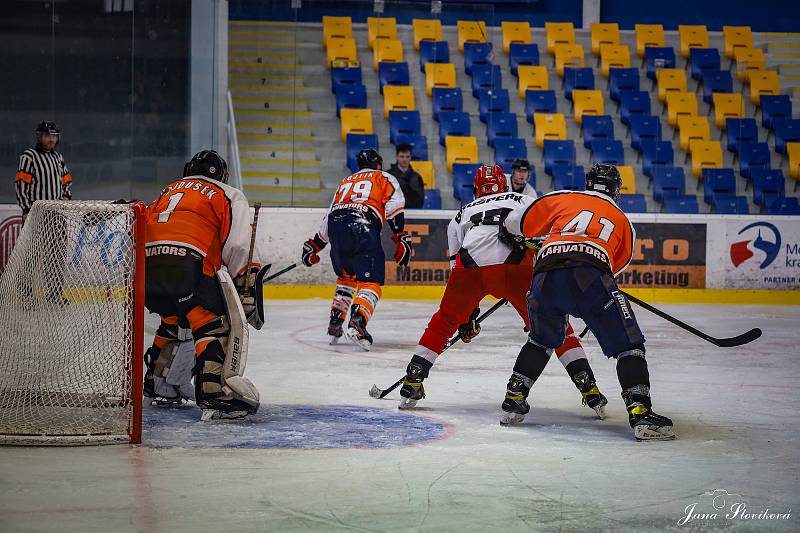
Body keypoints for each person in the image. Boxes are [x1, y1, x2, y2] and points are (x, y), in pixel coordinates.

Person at [399, 164, 608, 418]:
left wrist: (467, 316)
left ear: (476, 188)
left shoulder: (461, 213)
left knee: (443, 322)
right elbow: (548, 235)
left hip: (471, 268)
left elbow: (456, 264)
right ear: (504, 184)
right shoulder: (524, 199)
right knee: (553, 325)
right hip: (516, 268)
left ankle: (412, 380)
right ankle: (588, 386)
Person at [501, 163, 674, 440]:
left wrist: (521, 236)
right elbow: (613, 267)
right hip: (590, 277)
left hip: (544, 275)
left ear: (588, 183)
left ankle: (514, 398)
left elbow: (515, 222)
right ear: (616, 191)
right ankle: (640, 413)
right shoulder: (622, 220)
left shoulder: (563, 196)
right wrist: (592, 304)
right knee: (630, 345)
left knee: (541, 340)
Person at [143, 150, 265, 419]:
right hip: (188, 265)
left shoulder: (167, 190)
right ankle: (214, 391)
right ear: (221, 175)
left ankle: (159, 382)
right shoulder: (228, 193)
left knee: (174, 318)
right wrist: (246, 280)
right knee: (211, 321)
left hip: (147, 266)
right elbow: (239, 245)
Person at [301, 149, 411, 350]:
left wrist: (315, 245)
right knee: (371, 282)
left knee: (346, 277)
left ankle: (335, 322)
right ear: (378, 163)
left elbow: (331, 214)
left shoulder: (346, 181)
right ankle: (358, 322)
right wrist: (400, 235)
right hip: (362, 226)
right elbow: (395, 204)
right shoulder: (383, 176)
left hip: (336, 228)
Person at [15, 121, 73, 224]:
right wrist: (26, 210)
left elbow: (66, 180)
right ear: (40, 137)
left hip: (57, 214)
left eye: (54, 136)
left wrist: (66, 197)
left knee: (59, 240)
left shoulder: (58, 157)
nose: (51, 139)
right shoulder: (29, 156)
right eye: (47, 136)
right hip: (36, 214)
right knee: (35, 241)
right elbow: (21, 185)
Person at [386, 143, 425, 208]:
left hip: (411, 213)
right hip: (392, 213)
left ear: (411, 157)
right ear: (397, 157)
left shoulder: (417, 177)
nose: (404, 159)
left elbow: (420, 201)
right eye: (402, 156)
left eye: (407, 156)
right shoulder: (388, 175)